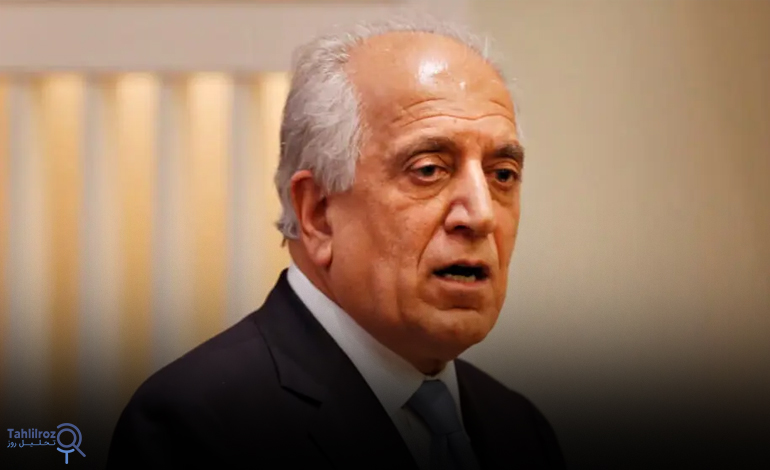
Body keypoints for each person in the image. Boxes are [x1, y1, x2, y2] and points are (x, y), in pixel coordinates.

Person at [106, 14, 565, 470]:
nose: (481, 215)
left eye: (503, 175)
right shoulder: (194, 428)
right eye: (429, 170)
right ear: (318, 213)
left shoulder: (522, 431)